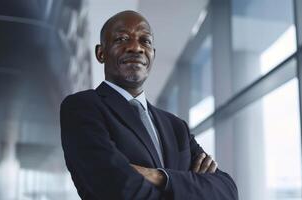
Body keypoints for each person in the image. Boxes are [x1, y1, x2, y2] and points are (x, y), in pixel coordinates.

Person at [60, 10, 238, 200]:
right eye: (121, 39)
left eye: (145, 41)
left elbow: (227, 191)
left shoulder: (176, 127)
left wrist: (160, 176)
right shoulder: (82, 107)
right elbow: (115, 188)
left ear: (152, 54)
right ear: (101, 53)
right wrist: (190, 184)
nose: (136, 47)